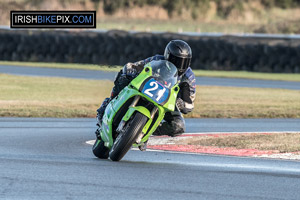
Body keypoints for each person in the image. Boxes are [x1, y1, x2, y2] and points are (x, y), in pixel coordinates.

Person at [96, 39, 196, 138]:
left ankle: (145, 131)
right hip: (146, 88)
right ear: (167, 56)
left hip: (166, 101)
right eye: (176, 60)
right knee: (124, 77)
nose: (179, 65)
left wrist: (183, 104)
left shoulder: (189, 77)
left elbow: (190, 101)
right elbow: (138, 65)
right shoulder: (157, 60)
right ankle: (108, 104)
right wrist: (131, 69)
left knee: (178, 126)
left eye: (184, 62)